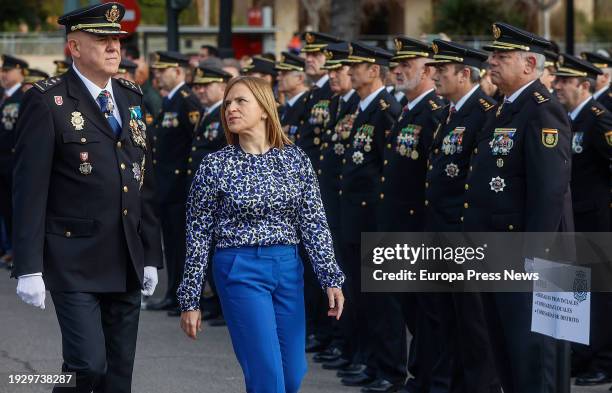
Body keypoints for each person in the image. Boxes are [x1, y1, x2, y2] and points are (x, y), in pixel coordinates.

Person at [12, 3, 162, 392]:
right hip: (73, 259)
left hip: (126, 256)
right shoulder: (48, 100)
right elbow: (29, 188)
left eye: (116, 40)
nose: (114, 47)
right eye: (101, 39)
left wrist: (150, 254)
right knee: (86, 366)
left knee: (117, 375)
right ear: (74, 47)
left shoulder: (131, 96)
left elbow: (142, 179)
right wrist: (29, 266)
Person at [177, 76, 345, 393]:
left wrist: (330, 277)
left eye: (241, 101)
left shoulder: (295, 159)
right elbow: (198, 235)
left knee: (293, 374)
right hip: (239, 267)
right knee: (268, 378)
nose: (231, 108)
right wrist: (191, 299)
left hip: (287, 267)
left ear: (265, 109)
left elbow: (314, 222)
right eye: (227, 102)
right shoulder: (215, 165)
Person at [463, 22, 573, 393]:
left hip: (532, 259)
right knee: (506, 353)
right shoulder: (504, 109)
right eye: (492, 55)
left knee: (534, 359)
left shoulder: (543, 111)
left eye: (501, 56)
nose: (491, 62)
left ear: (529, 64)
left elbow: (549, 192)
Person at [425, 39, 500, 393]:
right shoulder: (449, 112)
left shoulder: (484, 113)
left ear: (464, 73)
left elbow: (477, 180)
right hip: (441, 231)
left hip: (464, 235)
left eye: (442, 70)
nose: (435, 76)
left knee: (473, 325)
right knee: (447, 320)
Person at [337, 41, 401, 388]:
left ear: (375, 70)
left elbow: (384, 170)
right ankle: (368, 359)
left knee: (380, 302)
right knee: (361, 295)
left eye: (357, 66)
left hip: (372, 218)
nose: (350, 71)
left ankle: (387, 368)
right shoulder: (362, 108)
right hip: (354, 216)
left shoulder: (385, 109)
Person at [553, 54, 612, 388]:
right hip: (573, 221)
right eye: (557, 80)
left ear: (584, 85)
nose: (557, 86)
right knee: (577, 293)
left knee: (599, 295)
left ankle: (603, 360)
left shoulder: (598, 118)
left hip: (595, 221)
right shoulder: (566, 117)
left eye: (565, 81)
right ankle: (581, 353)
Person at [312, 42, 360, 371]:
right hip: (335, 206)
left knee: (362, 291)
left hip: (359, 212)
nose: (333, 75)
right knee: (341, 280)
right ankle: (342, 341)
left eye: (340, 69)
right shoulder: (339, 104)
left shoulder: (367, 106)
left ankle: (357, 350)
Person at [146, 51, 201, 315]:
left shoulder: (187, 102)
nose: (157, 74)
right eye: (156, 70)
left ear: (178, 72)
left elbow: (196, 146)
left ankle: (183, 295)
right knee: (172, 244)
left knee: (181, 245)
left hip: (180, 187)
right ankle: (173, 292)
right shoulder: (171, 101)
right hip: (166, 186)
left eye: (163, 70)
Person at [0, 54, 28, 268]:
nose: (3, 75)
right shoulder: (3, 96)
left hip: (14, 160)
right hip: (3, 160)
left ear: (20, 72)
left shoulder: (23, 96)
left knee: (19, 208)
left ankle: (19, 252)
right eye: (2, 71)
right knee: (6, 208)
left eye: (7, 71)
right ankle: (10, 249)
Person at [276, 52, 310, 143]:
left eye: (283, 73)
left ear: (299, 78)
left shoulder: (308, 103)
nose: (278, 78)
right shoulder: (290, 104)